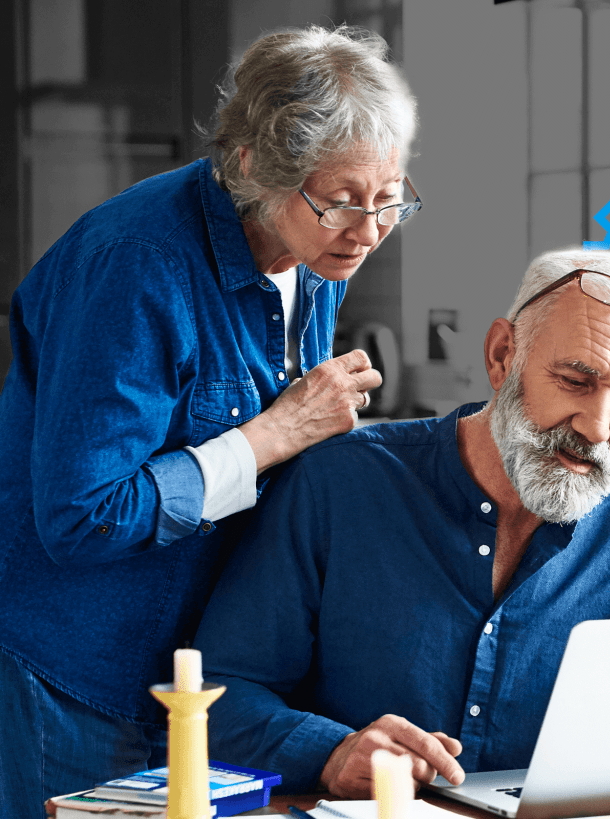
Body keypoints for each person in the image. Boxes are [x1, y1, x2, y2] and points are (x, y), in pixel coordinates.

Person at [192, 246, 610, 797]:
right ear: (501, 355)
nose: (599, 427)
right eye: (576, 381)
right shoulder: (340, 485)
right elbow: (216, 696)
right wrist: (331, 749)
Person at [0, 24, 419, 818]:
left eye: (388, 200)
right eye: (339, 204)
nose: (367, 233)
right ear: (253, 167)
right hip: (80, 671)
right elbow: (81, 516)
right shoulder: (137, 263)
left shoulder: (314, 252)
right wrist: (276, 433)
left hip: (206, 674)